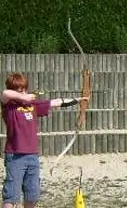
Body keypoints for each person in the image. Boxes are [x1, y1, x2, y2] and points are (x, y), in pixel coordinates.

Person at [1, 73, 89, 208]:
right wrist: (23, 97)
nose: (23, 92)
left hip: (32, 155)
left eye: (24, 89)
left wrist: (79, 100)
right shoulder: (8, 106)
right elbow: (5, 93)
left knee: (33, 196)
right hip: (15, 155)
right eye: (19, 90)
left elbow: (56, 102)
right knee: (11, 197)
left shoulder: (33, 105)